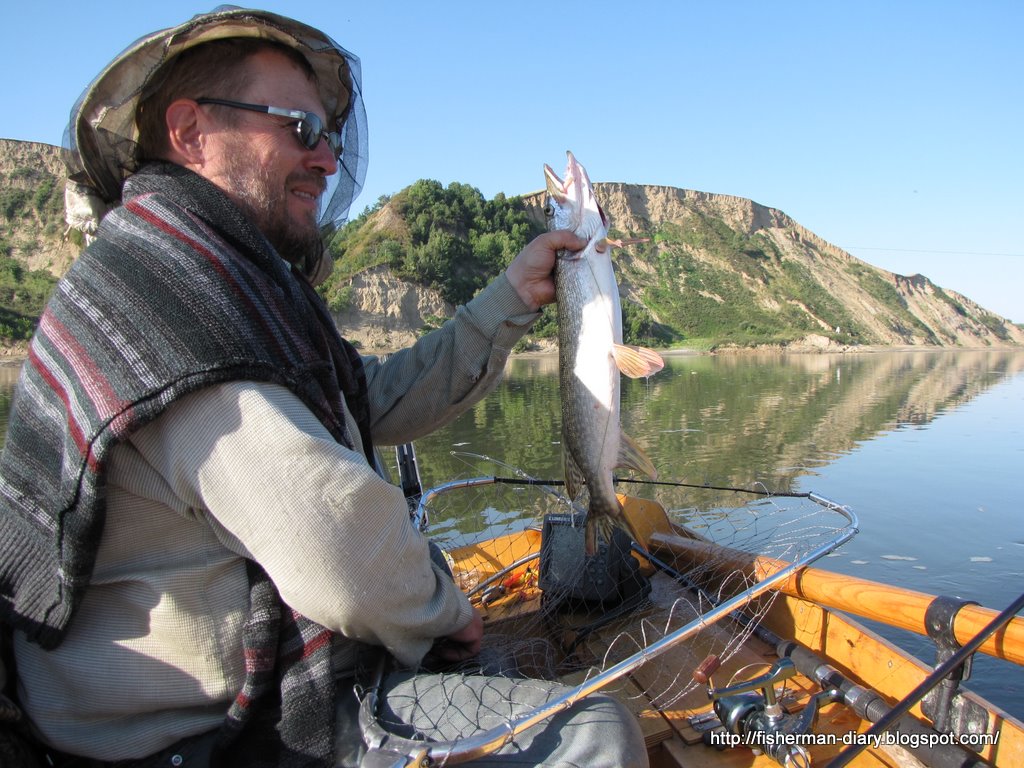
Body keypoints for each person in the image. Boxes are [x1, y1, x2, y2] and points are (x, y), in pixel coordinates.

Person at [0, 7, 648, 768]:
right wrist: (445, 612)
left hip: (234, 689)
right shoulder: (167, 309)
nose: (329, 161)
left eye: (332, 137)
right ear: (189, 133)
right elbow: (342, 551)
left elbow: (369, 404)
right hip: (202, 737)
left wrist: (509, 298)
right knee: (596, 734)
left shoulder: (217, 280)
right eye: (300, 130)